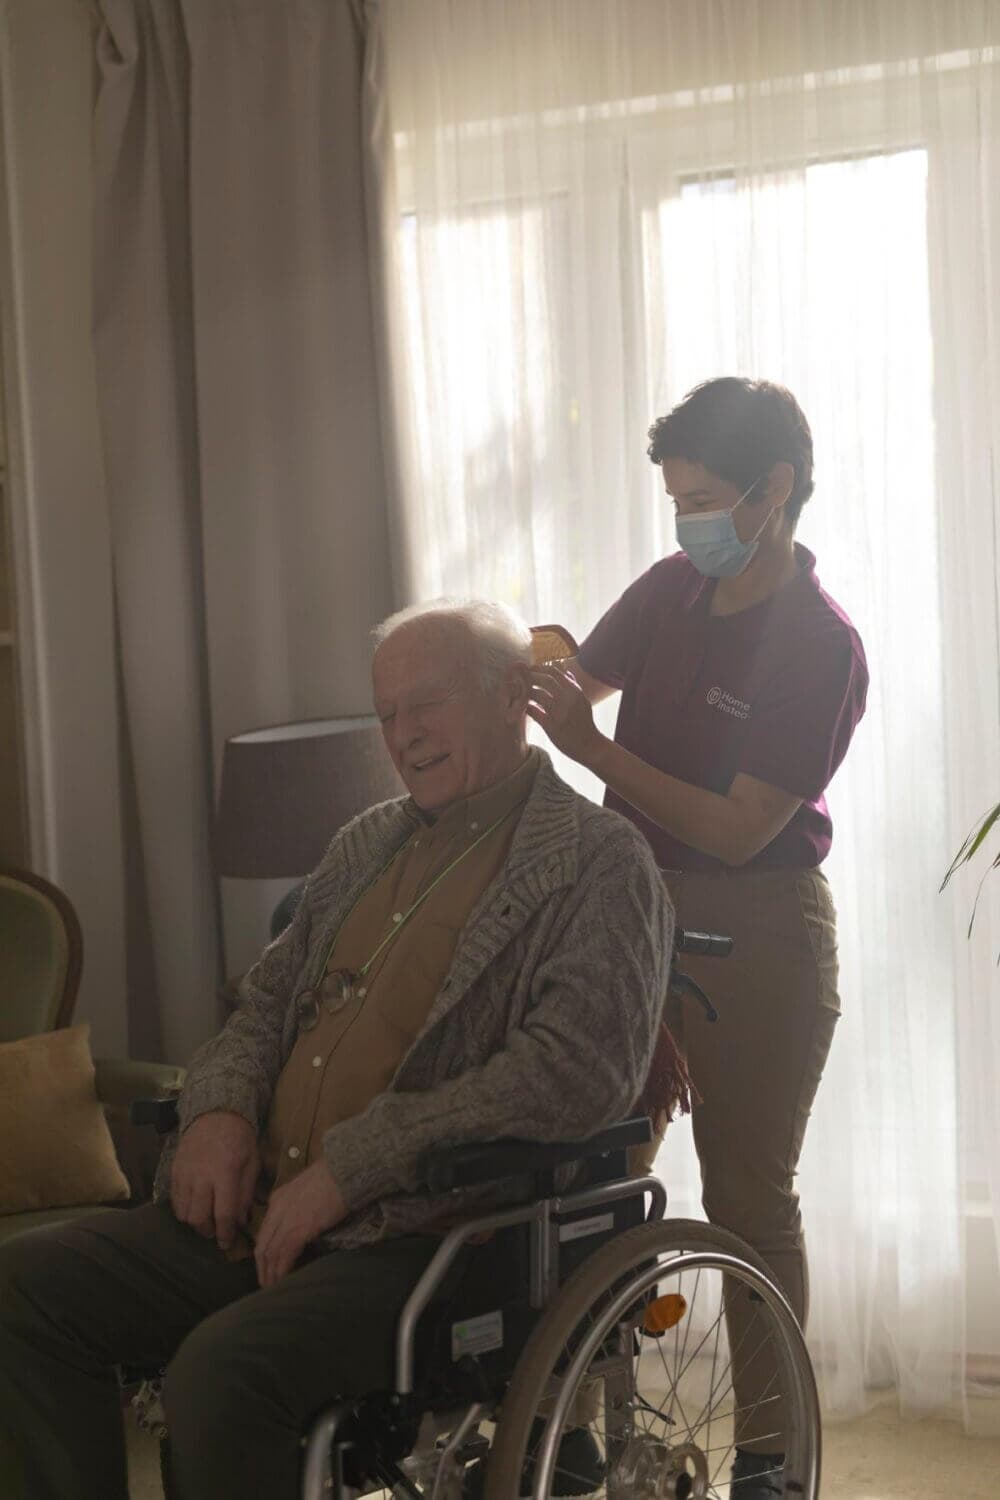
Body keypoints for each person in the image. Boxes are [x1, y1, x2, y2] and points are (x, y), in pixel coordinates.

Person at [0, 600, 672, 1500]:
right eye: (387, 713)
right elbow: (263, 1001)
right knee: (24, 1290)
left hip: (427, 1237)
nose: (403, 736)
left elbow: (574, 1075)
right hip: (261, 1210)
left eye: (425, 704)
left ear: (513, 693)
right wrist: (220, 1109)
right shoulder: (367, 840)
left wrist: (352, 1167)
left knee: (220, 1373)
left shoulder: (598, 861)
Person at [528, 378, 868, 1500]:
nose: (688, 521)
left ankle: (769, 1461)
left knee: (747, 1203)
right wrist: (545, 675)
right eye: (676, 497)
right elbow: (590, 676)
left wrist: (593, 752)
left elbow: (733, 826)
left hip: (758, 927)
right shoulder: (673, 589)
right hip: (634, 912)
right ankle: (571, 1435)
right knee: (584, 1174)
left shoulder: (818, 645)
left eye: (708, 498)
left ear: (775, 492)